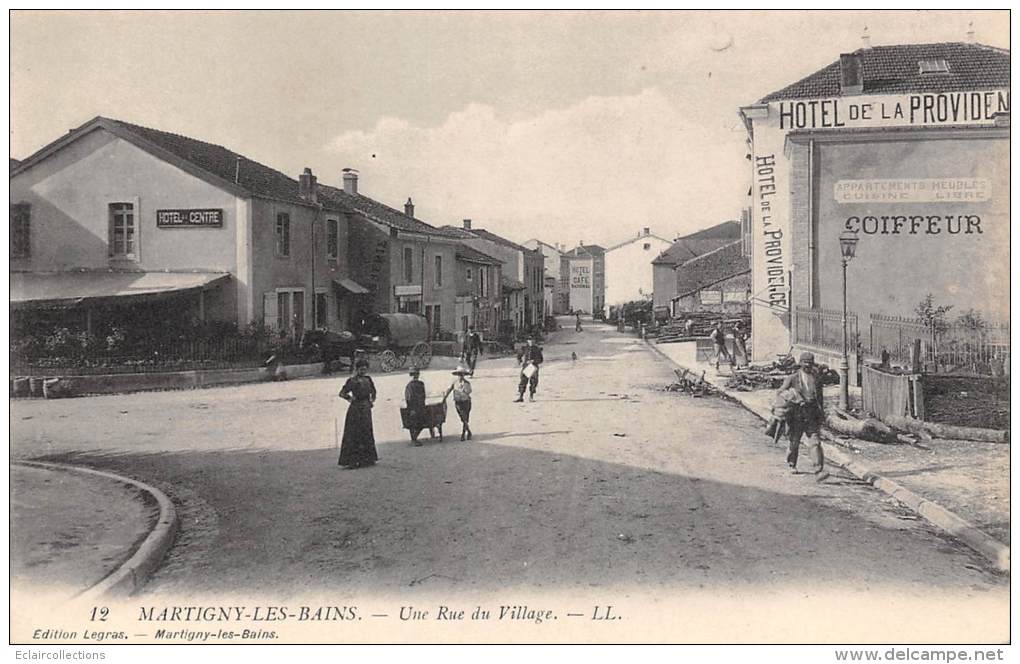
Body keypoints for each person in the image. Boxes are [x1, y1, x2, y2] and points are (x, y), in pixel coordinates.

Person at [779, 352, 829, 482]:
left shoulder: (816, 378)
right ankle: (791, 464)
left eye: (810, 363)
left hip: (812, 413)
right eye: (805, 363)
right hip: (797, 414)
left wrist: (821, 413)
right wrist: (793, 396)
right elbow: (780, 392)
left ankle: (818, 470)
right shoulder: (793, 378)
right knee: (794, 441)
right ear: (800, 363)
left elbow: (820, 398)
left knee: (815, 442)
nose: (808, 365)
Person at [337, 359, 378, 469]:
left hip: (366, 410)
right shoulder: (352, 381)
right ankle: (353, 461)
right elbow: (342, 393)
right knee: (354, 434)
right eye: (361, 369)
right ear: (357, 369)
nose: (363, 371)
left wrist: (371, 401)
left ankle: (368, 459)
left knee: (366, 432)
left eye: (365, 369)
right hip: (355, 410)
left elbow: (374, 392)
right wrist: (350, 399)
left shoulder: (368, 379)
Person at [403, 367, 435, 446]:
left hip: (418, 407)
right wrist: (411, 408)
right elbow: (409, 398)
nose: (415, 376)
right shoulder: (412, 385)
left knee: (420, 423)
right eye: (414, 374)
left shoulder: (414, 385)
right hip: (415, 408)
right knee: (418, 423)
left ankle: (414, 438)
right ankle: (414, 439)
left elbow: (420, 396)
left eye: (416, 374)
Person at [444, 364, 473, 441]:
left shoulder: (467, 383)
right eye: (459, 374)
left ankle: (463, 434)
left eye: (462, 374)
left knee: (465, 418)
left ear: (464, 375)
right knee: (462, 418)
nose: (460, 376)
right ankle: (469, 431)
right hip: (458, 403)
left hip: (466, 402)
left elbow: (469, 391)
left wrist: (464, 389)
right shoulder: (454, 382)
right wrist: (444, 397)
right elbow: (449, 389)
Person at [514, 337, 544, 402]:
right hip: (526, 366)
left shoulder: (537, 349)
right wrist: (520, 361)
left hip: (533, 366)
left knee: (533, 382)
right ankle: (521, 397)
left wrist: (533, 361)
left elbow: (541, 359)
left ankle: (531, 396)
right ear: (527, 341)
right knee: (523, 381)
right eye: (529, 340)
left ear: (534, 341)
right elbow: (519, 355)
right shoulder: (525, 348)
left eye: (532, 340)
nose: (531, 341)